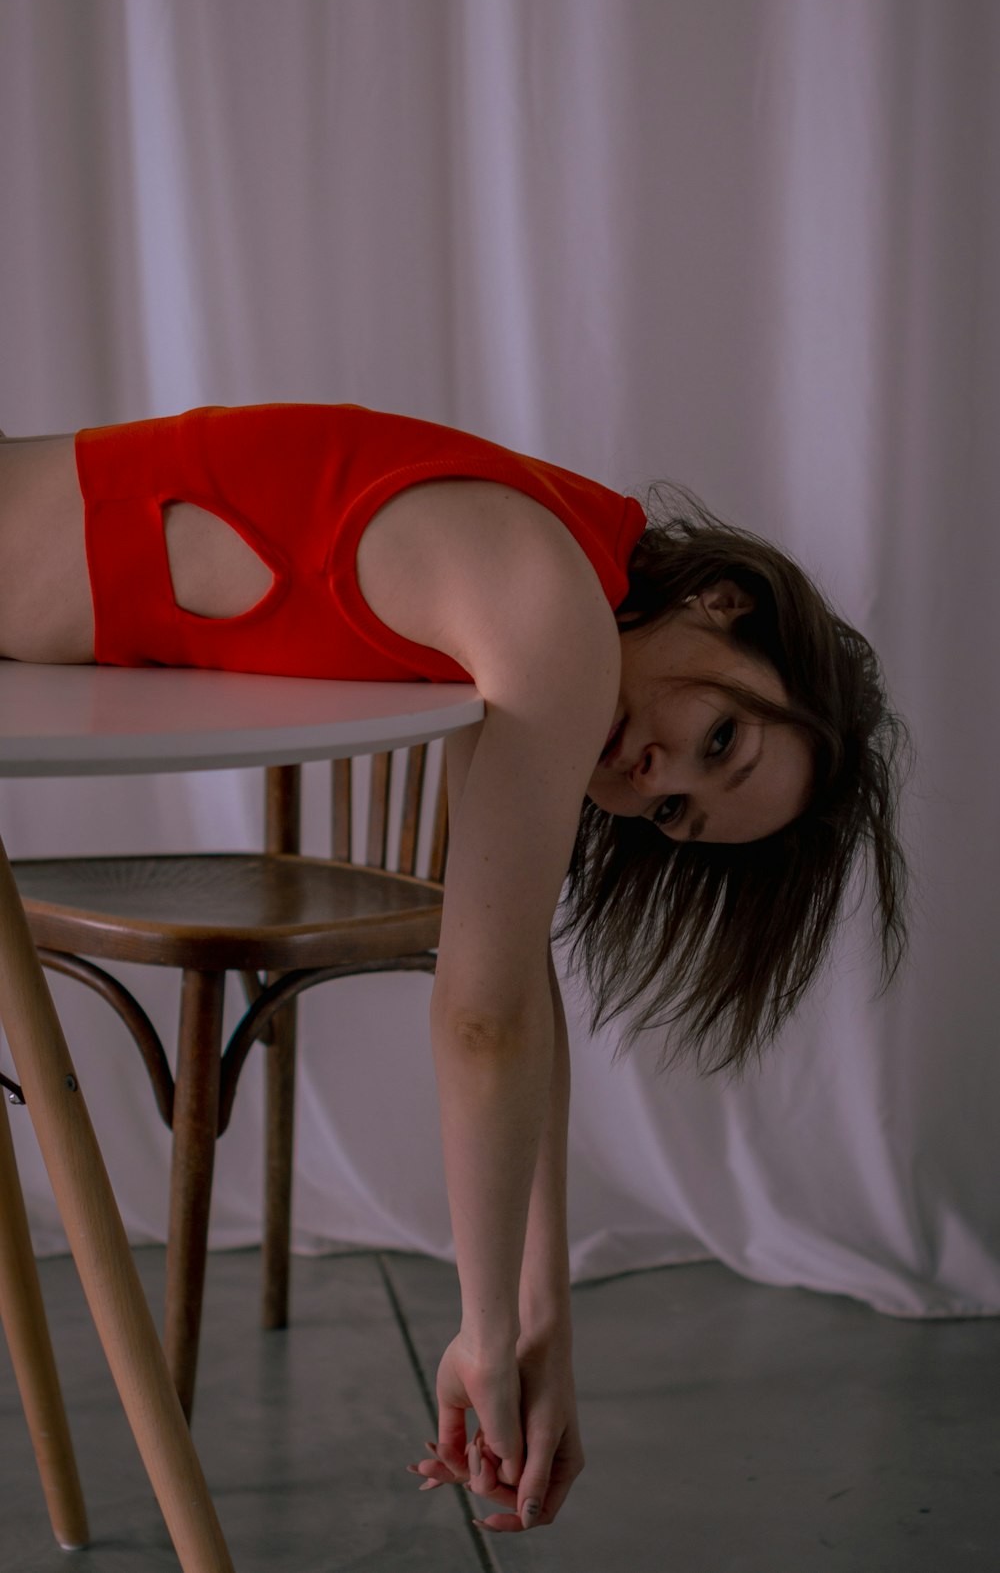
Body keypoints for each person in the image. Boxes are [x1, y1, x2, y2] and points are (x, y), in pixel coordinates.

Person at [0, 403, 910, 1534]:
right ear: (728, 607)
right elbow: (479, 1019)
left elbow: (514, 983)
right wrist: (482, 1328)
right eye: (720, 735)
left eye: (676, 809)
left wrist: (540, 1316)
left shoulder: (551, 588)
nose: (657, 773)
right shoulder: (552, 605)